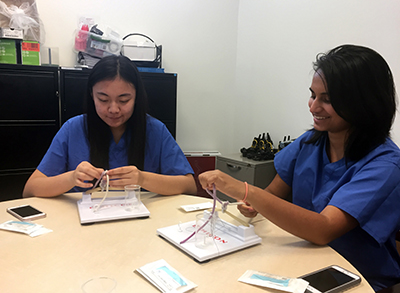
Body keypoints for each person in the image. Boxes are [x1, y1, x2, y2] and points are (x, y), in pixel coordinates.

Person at [199, 45, 400, 291]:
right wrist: (255, 204)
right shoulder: (310, 142)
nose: (313, 107)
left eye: (326, 100)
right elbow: (272, 194)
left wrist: (243, 190)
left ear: (363, 103)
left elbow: (323, 229)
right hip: (301, 259)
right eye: (313, 95)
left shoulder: (384, 165)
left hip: (355, 279)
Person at [23, 55, 197, 197]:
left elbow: (189, 186)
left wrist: (142, 179)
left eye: (124, 100)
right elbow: (31, 189)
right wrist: (71, 178)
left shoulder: (155, 130)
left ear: (137, 96)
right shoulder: (73, 128)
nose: (113, 109)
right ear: (92, 94)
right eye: (103, 99)